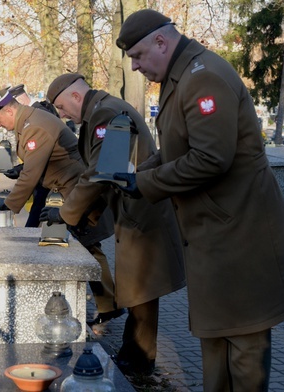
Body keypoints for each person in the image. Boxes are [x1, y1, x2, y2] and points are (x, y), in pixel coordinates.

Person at [113, 9, 284, 390]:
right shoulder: (182, 77)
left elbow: (210, 159)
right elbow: (173, 149)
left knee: (244, 345)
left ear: (161, 42)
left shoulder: (204, 78)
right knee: (216, 339)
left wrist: (146, 184)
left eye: (137, 56)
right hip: (217, 236)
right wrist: (135, 176)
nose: (134, 67)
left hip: (241, 236)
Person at [42, 73, 186, 376]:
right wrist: (81, 215)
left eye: (63, 108)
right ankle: (135, 354)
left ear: (76, 97)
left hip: (141, 210)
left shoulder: (105, 113)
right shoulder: (102, 110)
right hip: (136, 208)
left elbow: (102, 169)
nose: (64, 116)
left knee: (142, 288)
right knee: (139, 288)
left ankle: (139, 359)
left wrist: (67, 214)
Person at [0, 88, 123, 328]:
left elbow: (33, 172)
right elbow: (40, 160)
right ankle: (109, 304)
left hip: (76, 191)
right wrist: (20, 169)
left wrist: (11, 203)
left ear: (9, 110)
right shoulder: (29, 120)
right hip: (70, 188)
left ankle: (109, 305)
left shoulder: (33, 126)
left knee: (88, 246)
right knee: (88, 247)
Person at [4, 84, 56, 228]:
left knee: (38, 215)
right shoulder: (35, 112)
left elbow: (42, 153)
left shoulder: (38, 113)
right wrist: (20, 168)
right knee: (38, 213)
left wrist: (10, 202)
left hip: (49, 175)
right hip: (43, 173)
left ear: (19, 101)